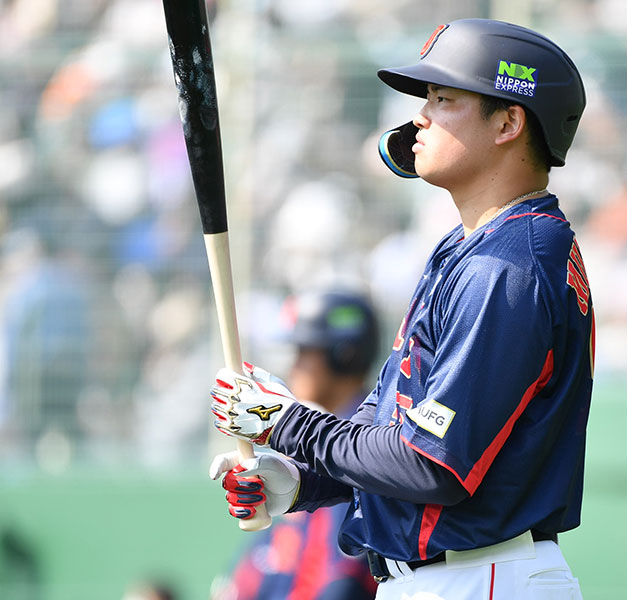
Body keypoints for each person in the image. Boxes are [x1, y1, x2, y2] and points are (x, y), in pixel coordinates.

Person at [208, 18, 594, 598]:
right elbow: (398, 421)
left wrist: (287, 422)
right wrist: (303, 481)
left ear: (509, 122)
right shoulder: (475, 246)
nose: (419, 116)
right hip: (456, 575)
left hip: (481, 574)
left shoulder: (508, 264)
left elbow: (433, 464)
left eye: (443, 99)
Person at [210, 290, 380, 600]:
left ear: (344, 354)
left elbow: (341, 584)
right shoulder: (307, 445)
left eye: (304, 352)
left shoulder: (358, 451)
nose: (293, 366)